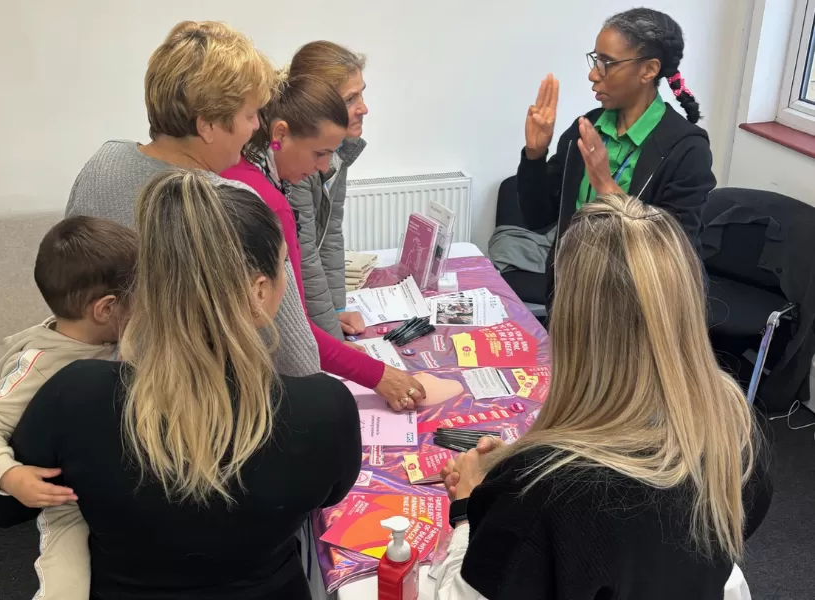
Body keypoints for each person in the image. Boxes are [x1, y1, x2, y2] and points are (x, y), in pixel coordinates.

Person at [0, 171, 363, 600]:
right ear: (258, 292)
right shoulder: (323, 410)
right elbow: (329, 494)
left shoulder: (74, 394)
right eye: (284, 267)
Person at [432, 195, 772, 599]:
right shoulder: (736, 432)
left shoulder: (537, 495)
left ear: (570, 321)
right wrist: (519, 461)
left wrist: (467, 509)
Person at [64, 20, 320, 378]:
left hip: (93, 382)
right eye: (249, 115)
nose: (255, 127)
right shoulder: (232, 201)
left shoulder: (103, 163)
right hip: (195, 400)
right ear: (207, 125)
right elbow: (295, 355)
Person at [221, 74, 424, 411]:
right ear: (280, 135)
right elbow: (293, 328)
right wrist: (379, 375)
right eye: (319, 153)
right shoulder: (269, 201)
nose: (323, 167)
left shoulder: (244, 168)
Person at [0, 216, 136, 600]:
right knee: (68, 585)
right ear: (106, 309)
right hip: (67, 503)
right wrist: (8, 475)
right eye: (140, 299)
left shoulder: (121, 342)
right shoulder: (39, 365)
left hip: (119, 482)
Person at [513, 7, 715, 306]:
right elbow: (537, 218)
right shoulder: (586, 129)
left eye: (607, 62)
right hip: (571, 292)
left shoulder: (687, 148)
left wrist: (607, 187)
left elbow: (673, 251)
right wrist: (535, 154)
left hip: (636, 307)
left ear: (648, 70)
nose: (593, 74)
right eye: (596, 60)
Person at [285, 41, 369, 339]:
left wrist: (335, 311)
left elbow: (330, 233)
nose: (364, 108)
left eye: (362, 93)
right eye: (350, 99)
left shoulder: (340, 149)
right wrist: (332, 339)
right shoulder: (299, 162)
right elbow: (304, 254)